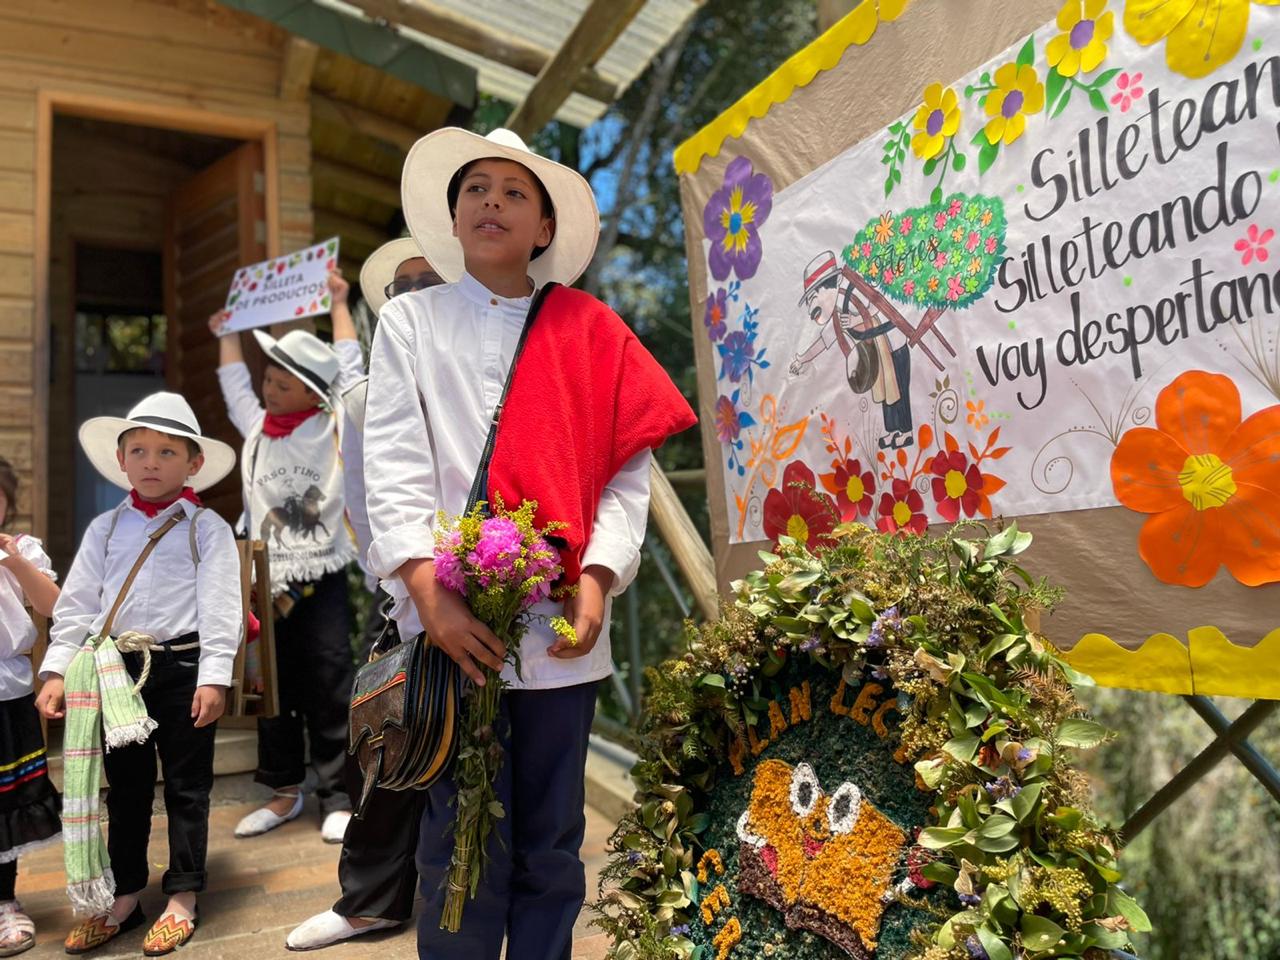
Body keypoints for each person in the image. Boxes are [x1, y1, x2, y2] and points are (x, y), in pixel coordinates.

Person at [362, 127, 697, 960]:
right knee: (457, 836)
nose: (492, 203)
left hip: (560, 633)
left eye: (515, 193)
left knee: (552, 839)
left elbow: (626, 473)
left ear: (545, 228)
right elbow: (393, 463)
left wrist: (599, 576)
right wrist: (428, 597)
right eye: (476, 188)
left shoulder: (591, 329)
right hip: (449, 627)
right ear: (452, 214)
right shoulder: (410, 322)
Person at [37, 393, 241, 955]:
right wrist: (56, 670)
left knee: (187, 785)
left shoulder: (207, 528)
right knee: (124, 790)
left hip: (183, 665)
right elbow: (77, 607)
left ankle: (183, 894)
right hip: (115, 674)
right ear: (122, 459)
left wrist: (215, 676)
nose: (152, 461)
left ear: (193, 462)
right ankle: (125, 895)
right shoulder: (104, 530)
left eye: (167, 451)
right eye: (140, 450)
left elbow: (221, 605)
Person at [286, 238, 446, 951]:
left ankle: (459, 899)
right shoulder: (362, 394)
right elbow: (363, 500)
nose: (411, 291)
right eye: (400, 286)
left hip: (507, 598)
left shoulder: (491, 367)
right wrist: (405, 582)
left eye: (427, 279)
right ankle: (371, 902)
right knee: (381, 751)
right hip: (409, 600)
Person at [209, 271, 363, 844]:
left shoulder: (336, 423)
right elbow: (234, 388)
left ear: (312, 393)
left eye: (281, 382)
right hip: (262, 575)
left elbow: (348, 368)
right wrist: (228, 333)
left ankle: (338, 792)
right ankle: (282, 791)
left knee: (328, 678)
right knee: (267, 685)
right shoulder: (257, 431)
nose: (268, 388)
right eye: (268, 378)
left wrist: (341, 304)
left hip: (320, 573)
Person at [0, 459, 62, 957]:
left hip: (7, 695)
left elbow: (54, 606)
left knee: (6, 806)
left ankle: (5, 902)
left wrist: (16, 562)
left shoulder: (22, 550)